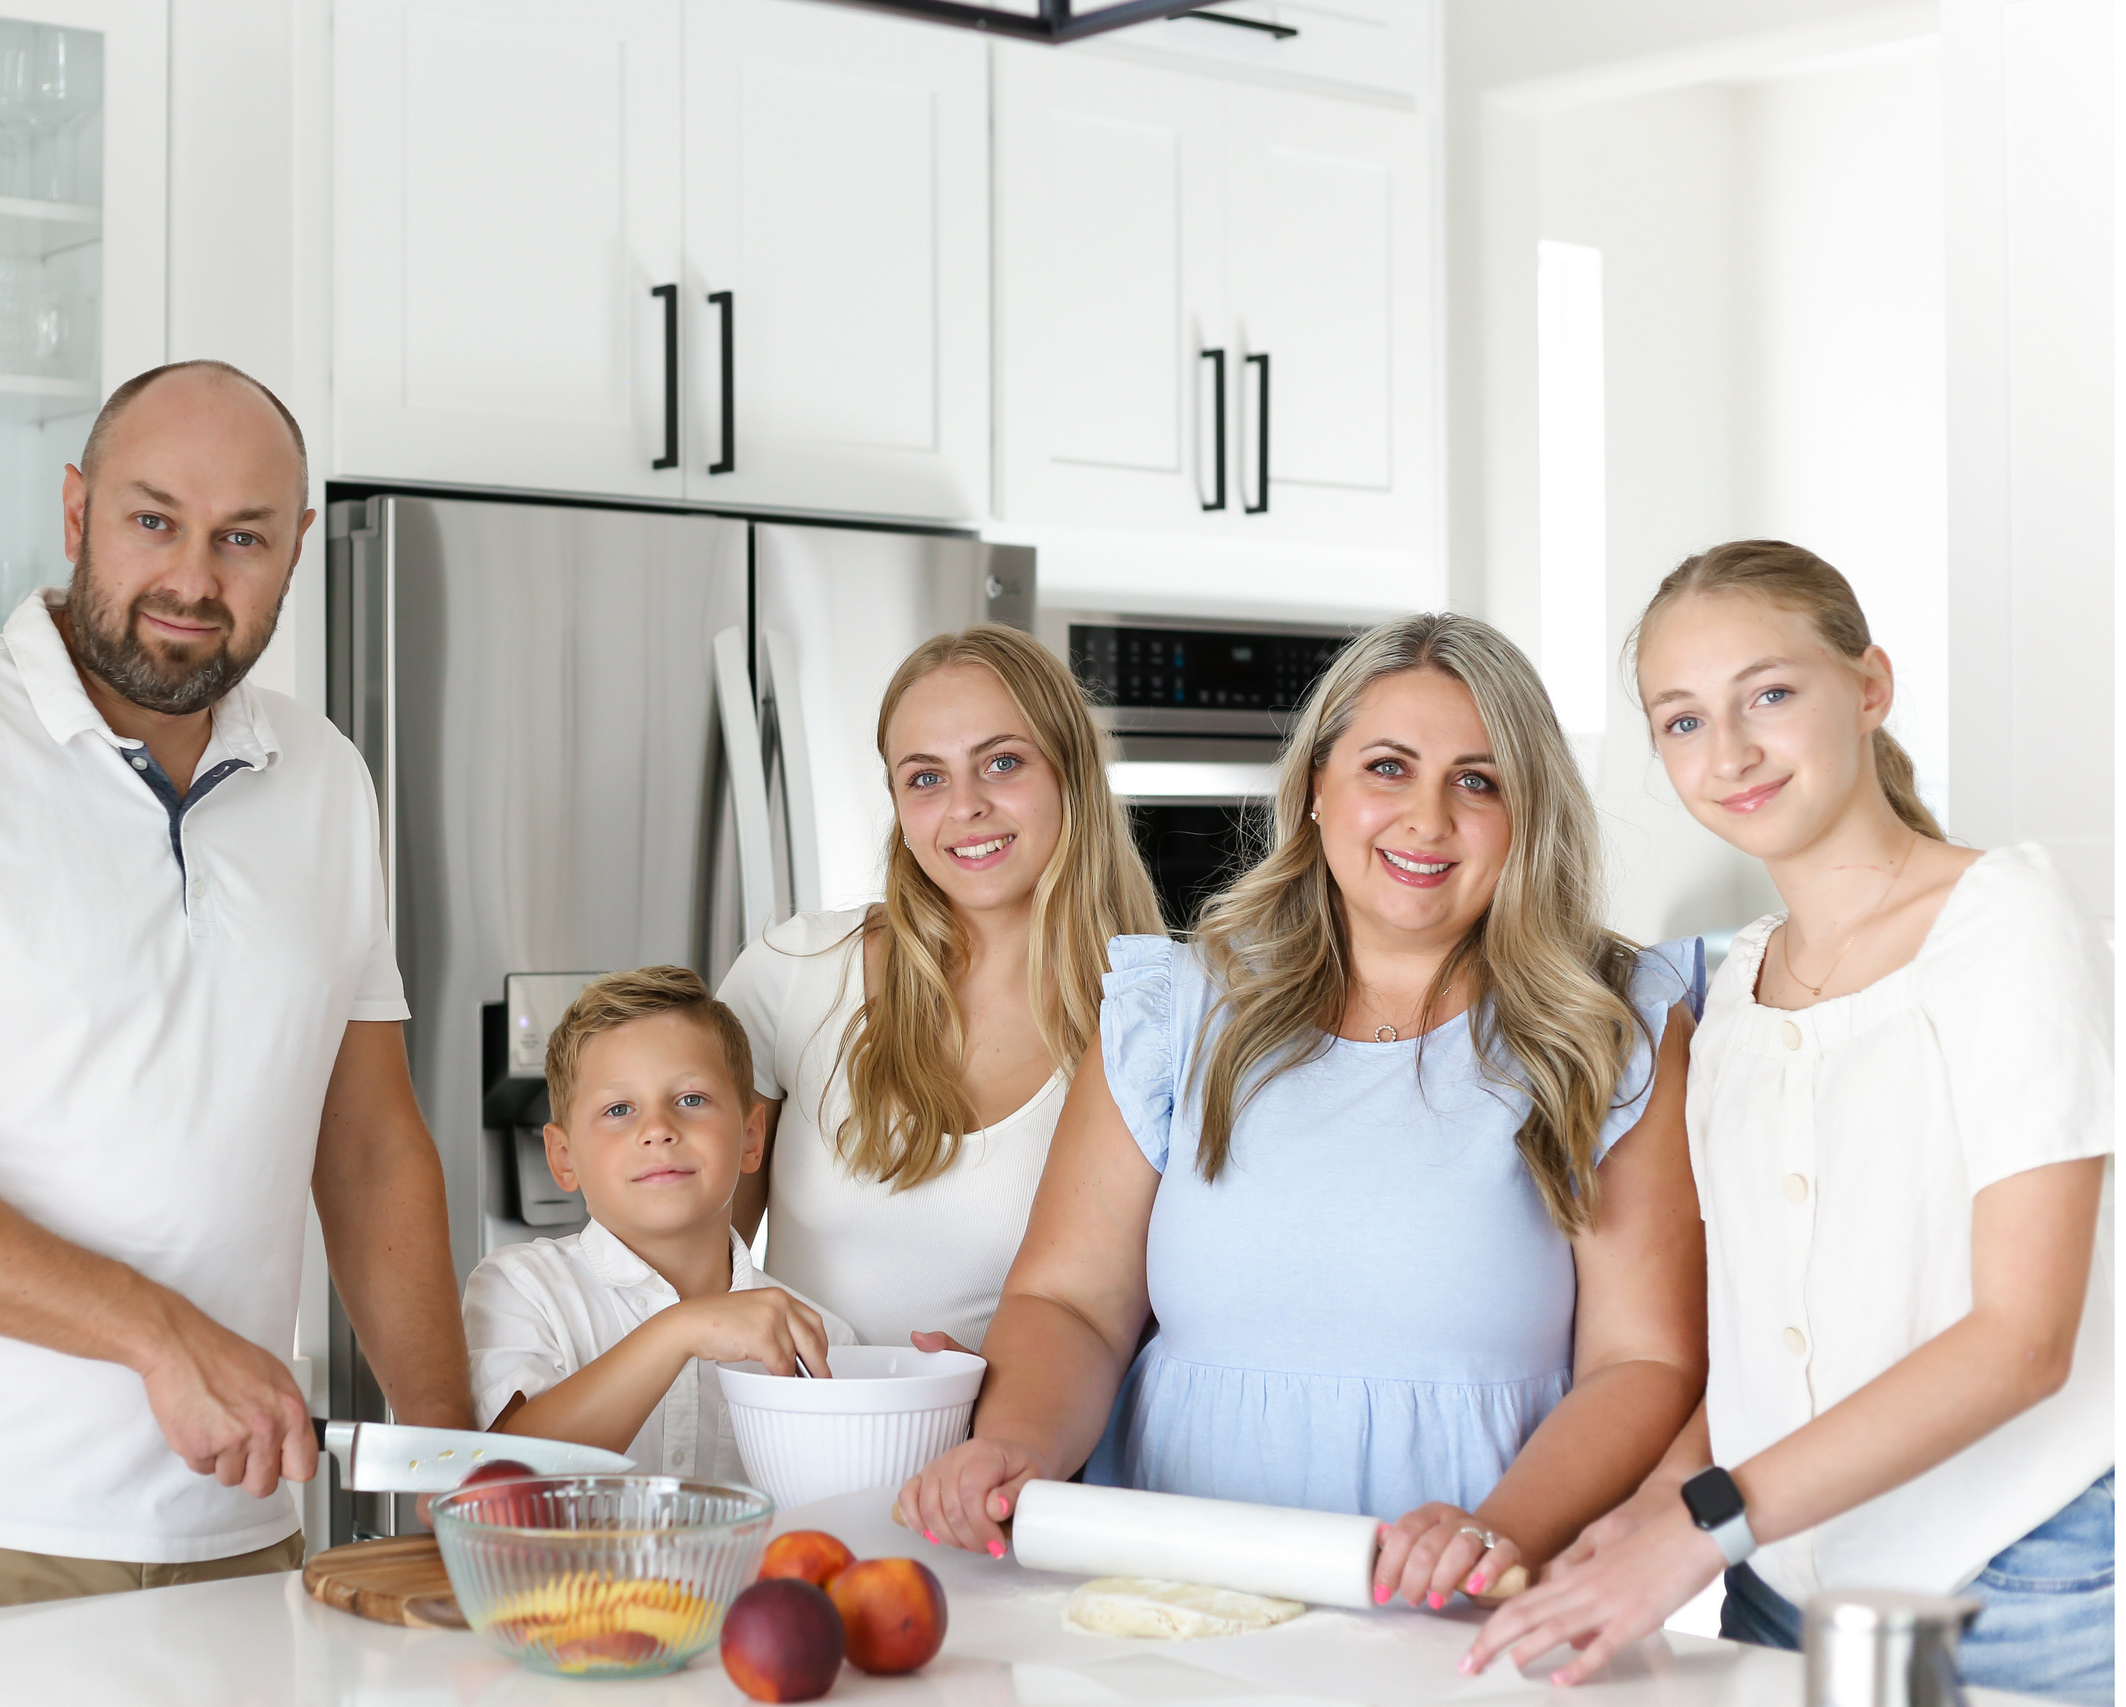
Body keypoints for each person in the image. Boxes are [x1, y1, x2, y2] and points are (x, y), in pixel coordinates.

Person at [0, 360, 471, 1627]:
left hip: (237, 1528)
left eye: (242, 538)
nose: (195, 580)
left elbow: (365, 1150)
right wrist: (155, 1332)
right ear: (77, 512)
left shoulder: (325, 779)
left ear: (297, 547)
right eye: (155, 521)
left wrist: (454, 1461)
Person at [901, 612, 1707, 1616]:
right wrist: (1013, 1444)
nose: (1426, 818)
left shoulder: (1610, 1027)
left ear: (1528, 813)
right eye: (1385, 768)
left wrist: (1495, 1529)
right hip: (1165, 1589)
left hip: (1451, 1601)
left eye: (1477, 780)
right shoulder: (1180, 1008)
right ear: (1318, 789)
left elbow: (1643, 1360)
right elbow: (1071, 1300)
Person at [1468, 543, 2113, 1703]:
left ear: (1867, 687)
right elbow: (1765, 1348)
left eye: (1768, 694)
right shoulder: (1729, 993)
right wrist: (1652, 1512)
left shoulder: (2003, 921)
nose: (1729, 753)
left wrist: (1697, 1528)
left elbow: (2024, 1340)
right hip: (1778, 1585)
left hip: (2013, 1580)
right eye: (1680, 721)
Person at [717, 626, 1163, 1353]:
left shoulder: (1154, 1019)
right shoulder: (793, 972)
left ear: (1070, 772)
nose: (965, 806)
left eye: (1003, 762)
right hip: (787, 1452)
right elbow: (691, 1270)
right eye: (925, 777)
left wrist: (998, 1401)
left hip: (1016, 1459)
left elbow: (1148, 1324)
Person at [465, 968, 856, 1478]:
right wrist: (677, 1332)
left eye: (691, 1100)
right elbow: (501, 1480)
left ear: (752, 1138)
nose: (657, 1130)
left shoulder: (823, 1339)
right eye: (619, 1109)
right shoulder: (519, 1288)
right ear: (563, 1158)